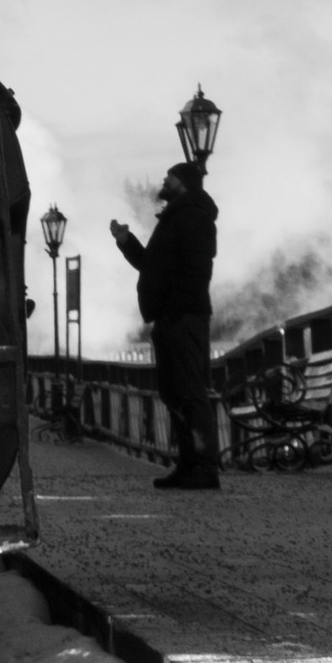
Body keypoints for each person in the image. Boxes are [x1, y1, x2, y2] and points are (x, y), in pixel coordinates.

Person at [113, 164, 220, 490]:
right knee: (174, 393)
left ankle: (203, 467)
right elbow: (153, 267)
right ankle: (189, 464)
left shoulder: (193, 217)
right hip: (171, 318)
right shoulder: (177, 217)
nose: (163, 181)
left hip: (182, 318)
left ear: (183, 183)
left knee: (189, 392)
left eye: (169, 177)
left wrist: (172, 305)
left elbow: (194, 271)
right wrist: (126, 241)